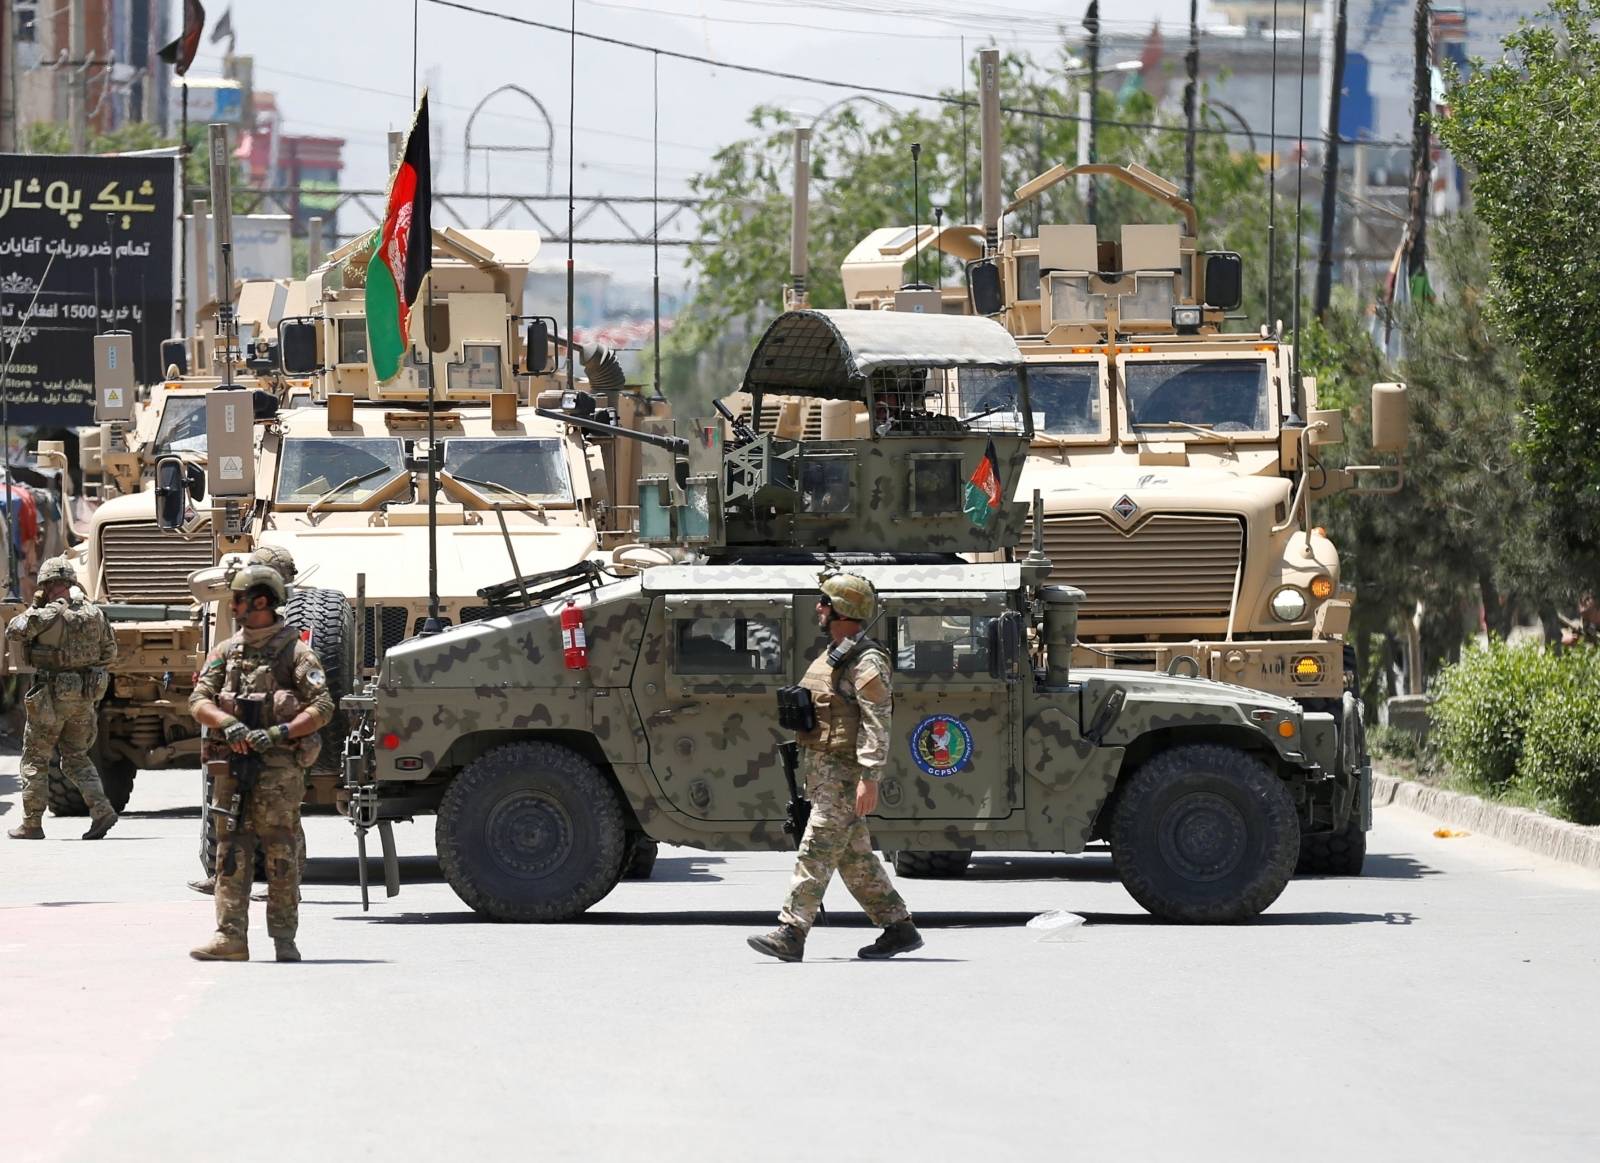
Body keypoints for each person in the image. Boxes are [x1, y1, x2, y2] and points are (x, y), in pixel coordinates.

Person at [748, 572, 922, 962]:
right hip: (824, 772)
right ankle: (899, 928)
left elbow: (879, 720)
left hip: (844, 775)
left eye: (825, 602)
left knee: (816, 850)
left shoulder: (867, 660)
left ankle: (791, 932)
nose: (819, 608)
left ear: (843, 609)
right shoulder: (838, 654)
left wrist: (869, 778)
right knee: (855, 858)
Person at [189, 564, 333, 963]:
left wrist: (279, 733)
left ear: (261, 601)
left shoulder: (296, 652)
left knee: (280, 852)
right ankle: (229, 936)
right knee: (229, 852)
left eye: (237, 599)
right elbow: (199, 699)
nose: (232, 606)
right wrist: (228, 724)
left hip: (279, 771)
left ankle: (284, 938)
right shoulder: (226, 652)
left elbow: (323, 706)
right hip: (234, 768)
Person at [187, 545, 308, 896]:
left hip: (276, 727)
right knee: (225, 807)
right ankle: (221, 874)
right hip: (236, 718)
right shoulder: (244, 604)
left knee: (282, 813)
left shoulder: (293, 612)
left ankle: (289, 881)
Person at [5, 556, 118, 841]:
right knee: (76, 758)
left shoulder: (47, 614)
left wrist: (35, 605)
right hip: (84, 695)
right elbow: (110, 652)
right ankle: (102, 810)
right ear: (70, 582)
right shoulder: (94, 613)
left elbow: (14, 630)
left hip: (51, 697)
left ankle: (31, 824)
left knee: (35, 759)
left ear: (47, 585)